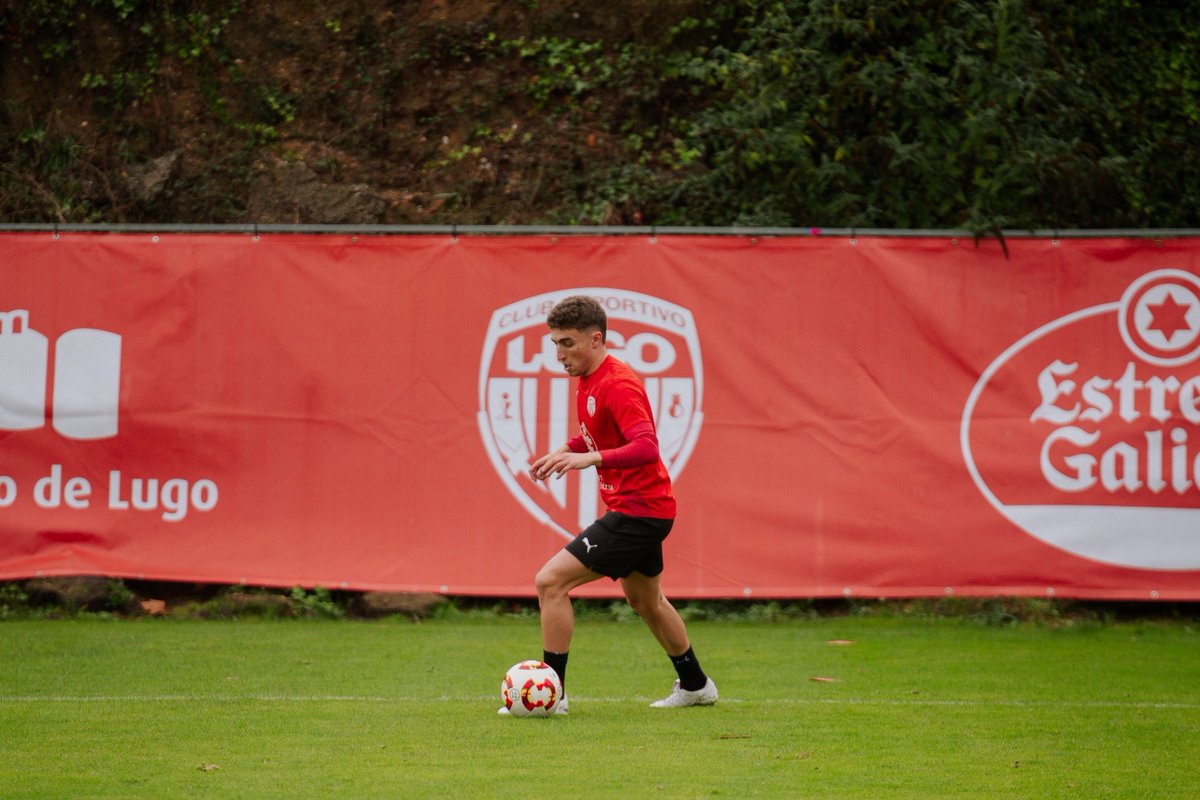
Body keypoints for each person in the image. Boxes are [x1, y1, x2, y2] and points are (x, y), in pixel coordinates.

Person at [500, 295, 717, 715]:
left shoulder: (617, 382)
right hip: (645, 510)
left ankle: (551, 695)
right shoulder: (589, 378)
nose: (559, 354)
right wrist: (567, 448)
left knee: (550, 582)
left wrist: (590, 458)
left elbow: (646, 447)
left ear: (596, 339)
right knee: (647, 601)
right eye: (554, 344)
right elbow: (603, 434)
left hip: (639, 512)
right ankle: (696, 685)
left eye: (567, 343)